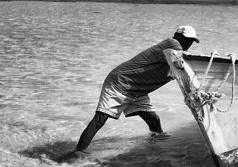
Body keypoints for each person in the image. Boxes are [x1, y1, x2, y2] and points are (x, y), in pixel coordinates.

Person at [72, 25, 200, 154]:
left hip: (138, 89)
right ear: (177, 35)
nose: (188, 43)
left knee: (153, 120)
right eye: (186, 39)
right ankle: (78, 153)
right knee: (100, 120)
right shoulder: (172, 43)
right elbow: (185, 61)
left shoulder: (177, 57)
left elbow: (185, 70)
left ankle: (156, 146)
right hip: (120, 83)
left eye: (191, 41)